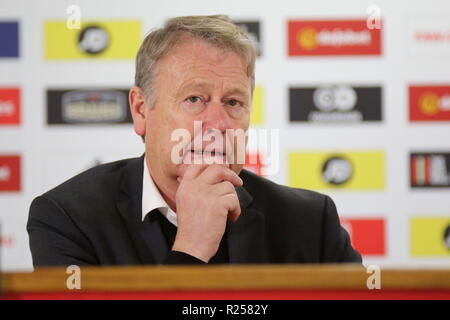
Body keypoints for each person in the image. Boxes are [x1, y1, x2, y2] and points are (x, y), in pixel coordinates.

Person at [27, 15, 362, 266]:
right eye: (194, 99)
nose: (216, 124)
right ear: (142, 110)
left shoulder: (309, 221)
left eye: (233, 102)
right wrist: (192, 247)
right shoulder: (68, 217)